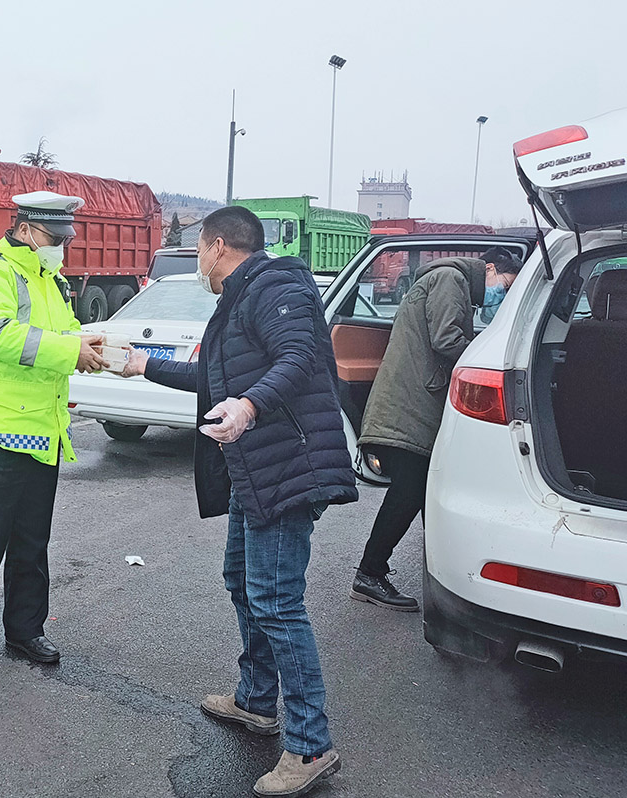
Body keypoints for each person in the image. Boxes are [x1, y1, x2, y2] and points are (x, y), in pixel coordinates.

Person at [121, 206, 357, 797]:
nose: (197, 259)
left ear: (217, 245)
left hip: (290, 469)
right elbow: (211, 379)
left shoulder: (276, 288)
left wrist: (249, 406)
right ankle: (256, 701)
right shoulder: (237, 302)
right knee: (240, 580)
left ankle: (310, 745)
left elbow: (299, 361)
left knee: (276, 601)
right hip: (257, 473)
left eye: (198, 247)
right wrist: (141, 364)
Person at [0, 191, 108, 673]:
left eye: (65, 239)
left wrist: (90, 344)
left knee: (32, 541)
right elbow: (0, 337)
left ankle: (26, 630)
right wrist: (67, 351)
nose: (61, 247)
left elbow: (64, 330)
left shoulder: (51, 280)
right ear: (26, 230)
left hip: (43, 427)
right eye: (54, 238)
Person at [352, 247, 522, 610]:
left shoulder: (450, 281)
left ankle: (440, 573)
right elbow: (446, 340)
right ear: (489, 268)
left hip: (412, 403)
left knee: (424, 490)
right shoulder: (451, 279)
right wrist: (492, 358)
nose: (501, 296)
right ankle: (370, 573)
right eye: (504, 286)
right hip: (409, 408)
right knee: (410, 490)